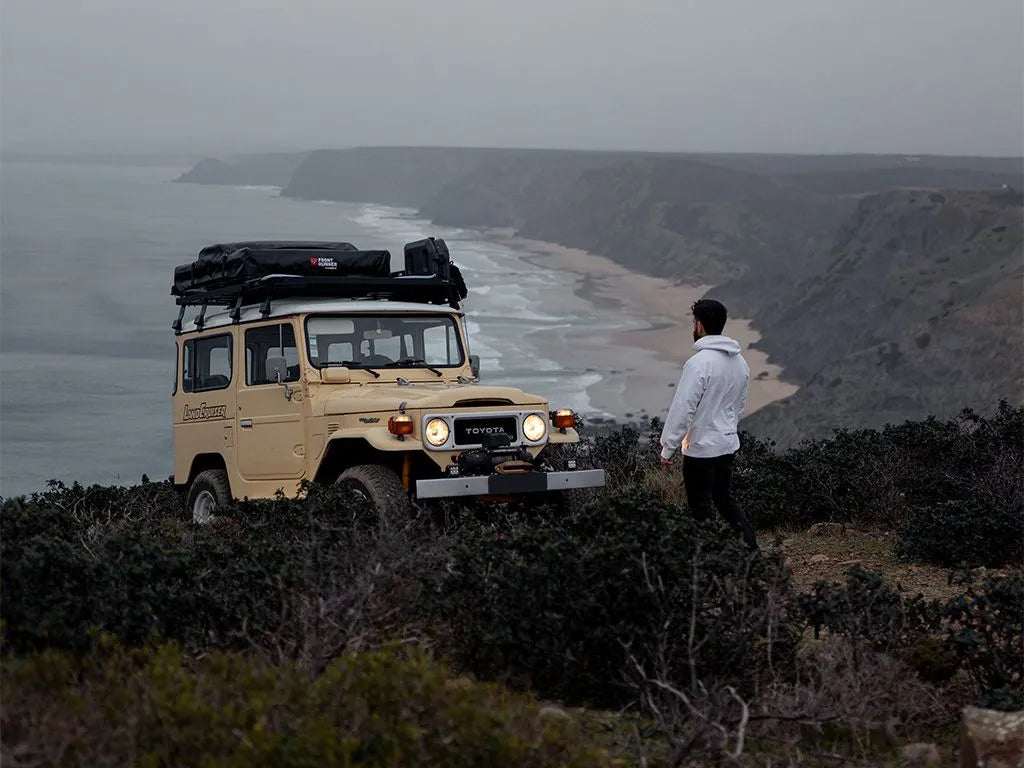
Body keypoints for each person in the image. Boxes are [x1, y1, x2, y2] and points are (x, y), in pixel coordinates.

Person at [659, 298, 758, 551]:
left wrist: (667, 448)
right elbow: (738, 405)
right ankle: (750, 549)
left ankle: (708, 559)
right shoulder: (740, 362)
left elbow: (683, 409)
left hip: (701, 448)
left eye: (694, 322)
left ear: (700, 326)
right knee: (725, 499)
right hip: (726, 443)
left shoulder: (698, 364)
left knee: (700, 506)